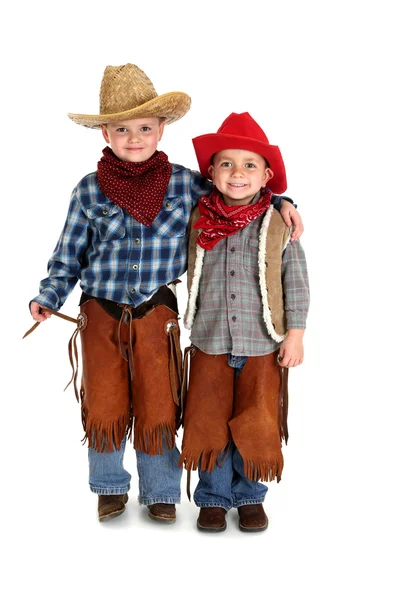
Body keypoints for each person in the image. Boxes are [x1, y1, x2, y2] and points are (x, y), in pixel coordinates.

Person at [28, 65, 303, 523]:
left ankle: (161, 492)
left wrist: (283, 202)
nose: (133, 138)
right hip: (99, 310)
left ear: (161, 129)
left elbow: (237, 194)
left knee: (159, 402)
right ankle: (109, 487)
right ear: (104, 132)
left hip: (157, 311)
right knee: (106, 404)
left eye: (144, 128)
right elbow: (68, 253)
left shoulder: (183, 183)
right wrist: (50, 295)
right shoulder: (88, 190)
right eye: (121, 129)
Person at [179, 112, 310, 533]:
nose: (238, 173)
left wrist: (296, 334)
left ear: (267, 174)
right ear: (211, 172)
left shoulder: (278, 223)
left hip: (262, 342)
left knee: (257, 420)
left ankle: (250, 496)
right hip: (210, 340)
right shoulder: (196, 217)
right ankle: (214, 498)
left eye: (250, 165)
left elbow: (296, 281)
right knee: (208, 419)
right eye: (227, 164)